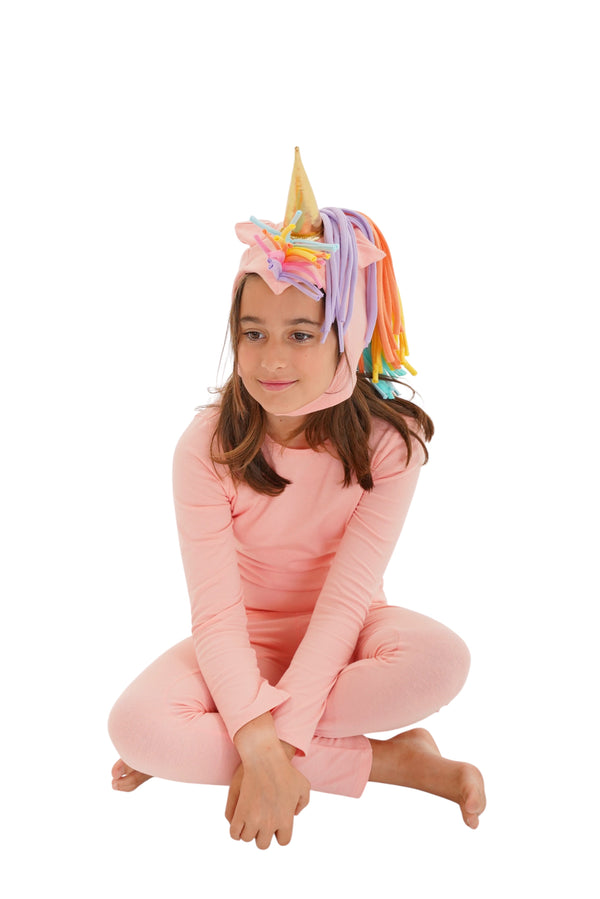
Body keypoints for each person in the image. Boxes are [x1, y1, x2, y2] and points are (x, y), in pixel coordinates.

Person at [108, 149, 486, 850]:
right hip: (241, 639)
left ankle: (217, 743)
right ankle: (391, 761)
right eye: (253, 334)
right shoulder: (205, 447)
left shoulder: (390, 447)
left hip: (343, 640)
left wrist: (258, 735)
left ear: (349, 336)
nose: (271, 359)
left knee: (443, 660)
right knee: (134, 726)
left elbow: (346, 600)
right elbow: (217, 615)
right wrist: (258, 744)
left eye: (301, 334)